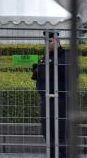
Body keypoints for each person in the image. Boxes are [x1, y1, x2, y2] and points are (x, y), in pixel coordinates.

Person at [32, 30, 68, 158]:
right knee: (47, 132)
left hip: (60, 100)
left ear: (58, 41)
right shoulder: (46, 56)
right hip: (46, 99)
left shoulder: (64, 56)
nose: (47, 43)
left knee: (61, 133)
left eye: (50, 40)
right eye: (46, 41)